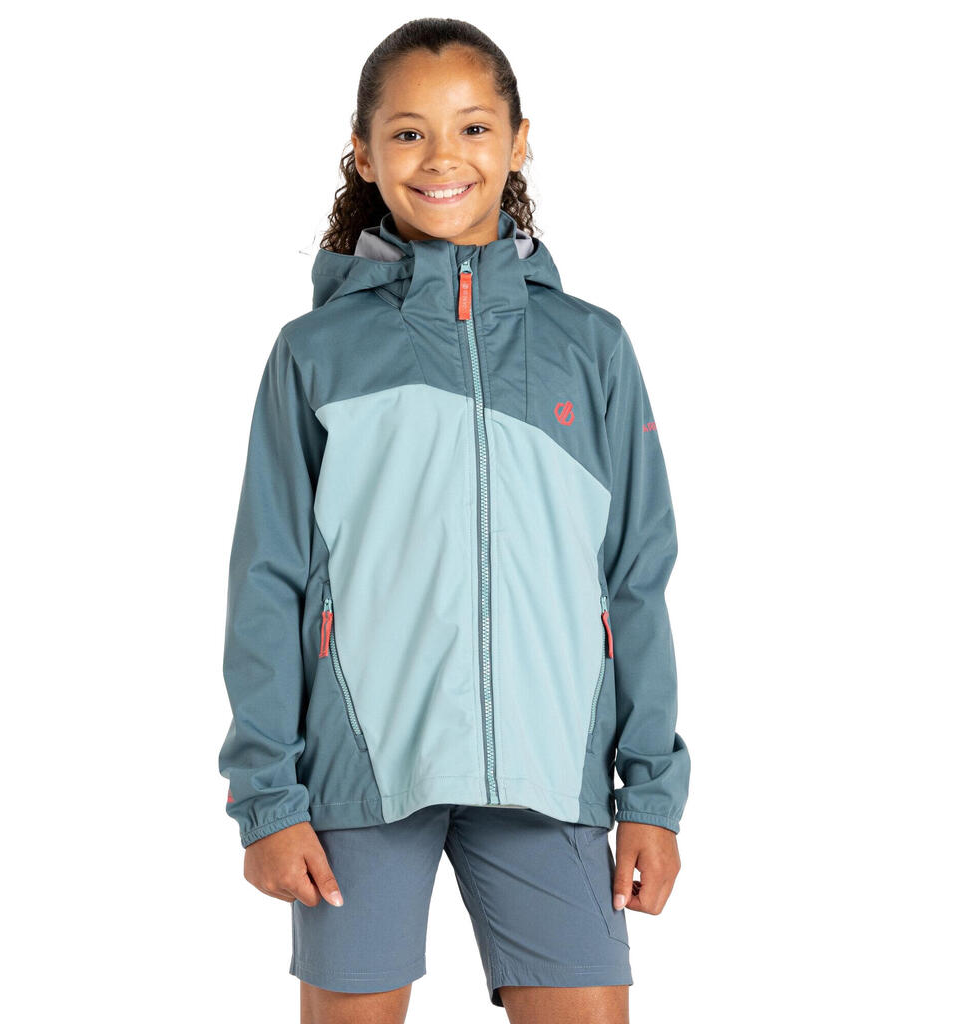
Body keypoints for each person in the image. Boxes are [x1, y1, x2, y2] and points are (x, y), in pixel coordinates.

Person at [217, 18, 690, 1024]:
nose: (443, 158)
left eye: (473, 127)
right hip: (359, 775)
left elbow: (636, 576)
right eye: (408, 133)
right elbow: (266, 578)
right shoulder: (316, 353)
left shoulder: (591, 348)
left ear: (519, 141)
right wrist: (266, 798)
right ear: (364, 153)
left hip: (552, 770)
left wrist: (650, 792)